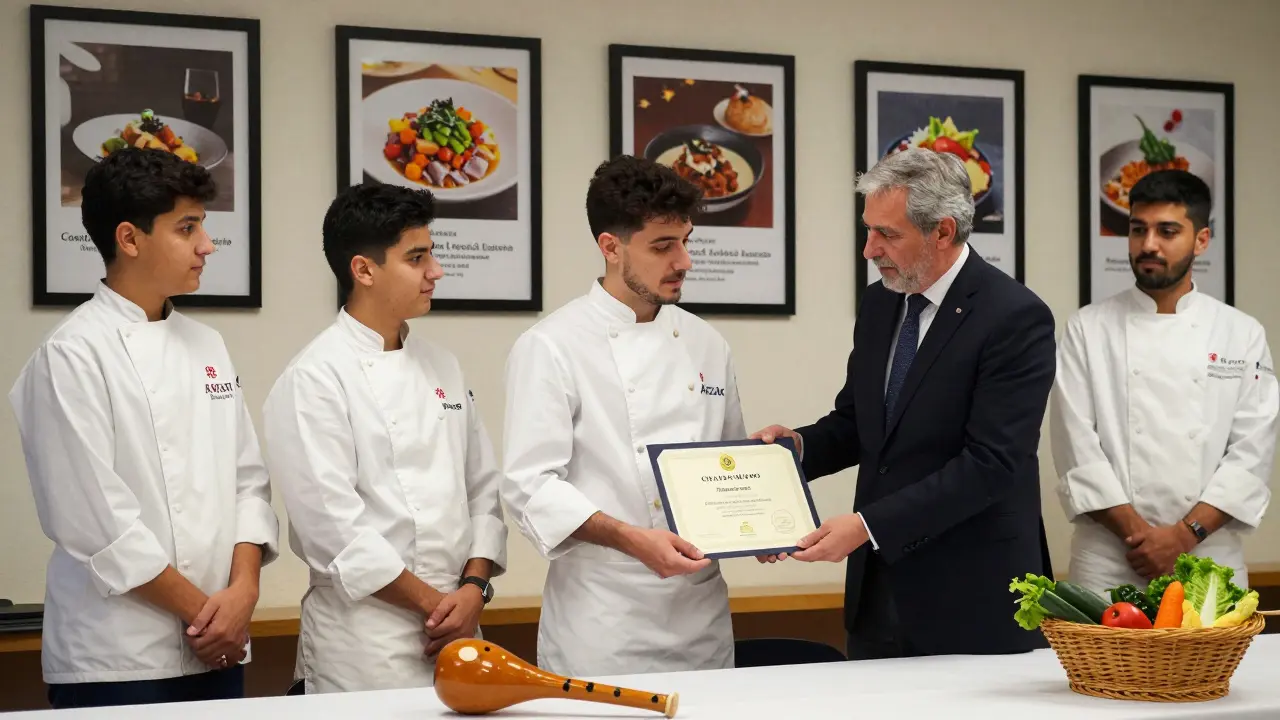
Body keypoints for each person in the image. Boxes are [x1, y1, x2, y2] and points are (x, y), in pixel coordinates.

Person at [753, 148, 1056, 660]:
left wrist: (866, 526)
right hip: (879, 596)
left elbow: (991, 465)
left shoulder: (1015, 317)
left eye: (886, 234)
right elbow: (859, 423)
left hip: (972, 600)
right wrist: (794, 450)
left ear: (943, 231)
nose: (869, 250)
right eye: (867, 230)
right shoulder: (881, 302)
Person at [8, 147, 279, 708]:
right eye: (187, 228)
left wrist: (243, 594)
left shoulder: (208, 344)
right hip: (118, 660)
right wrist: (208, 616)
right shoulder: (72, 355)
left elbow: (247, 483)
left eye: (203, 226)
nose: (207, 245)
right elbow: (97, 524)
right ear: (129, 239)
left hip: (222, 645)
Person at [501, 155, 746, 677]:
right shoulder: (550, 345)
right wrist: (633, 539)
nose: (684, 261)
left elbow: (725, 464)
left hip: (700, 616)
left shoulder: (706, 342)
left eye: (686, 240)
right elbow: (529, 487)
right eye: (663, 246)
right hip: (604, 620)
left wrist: (756, 521)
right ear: (610, 247)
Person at [261, 182, 507, 694]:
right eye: (417, 258)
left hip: (458, 628)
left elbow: (483, 491)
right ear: (364, 270)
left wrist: (473, 591)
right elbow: (335, 531)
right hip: (362, 645)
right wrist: (437, 606)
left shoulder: (443, 365)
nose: (435, 271)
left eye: (431, 254)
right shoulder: (315, 378)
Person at [1049, 169, 1276, 596]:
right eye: (1138, 230)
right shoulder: (1087, 328)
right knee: (1104, 667)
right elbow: (1076, 447)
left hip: (1210, 561)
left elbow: (1252, 454)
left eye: (1167, 231)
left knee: (1210, 668)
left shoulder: (1241, 334)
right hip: (1111, 563)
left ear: (1201, 240)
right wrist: (1144, 540)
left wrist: (1182, 537)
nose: (1149, 244)